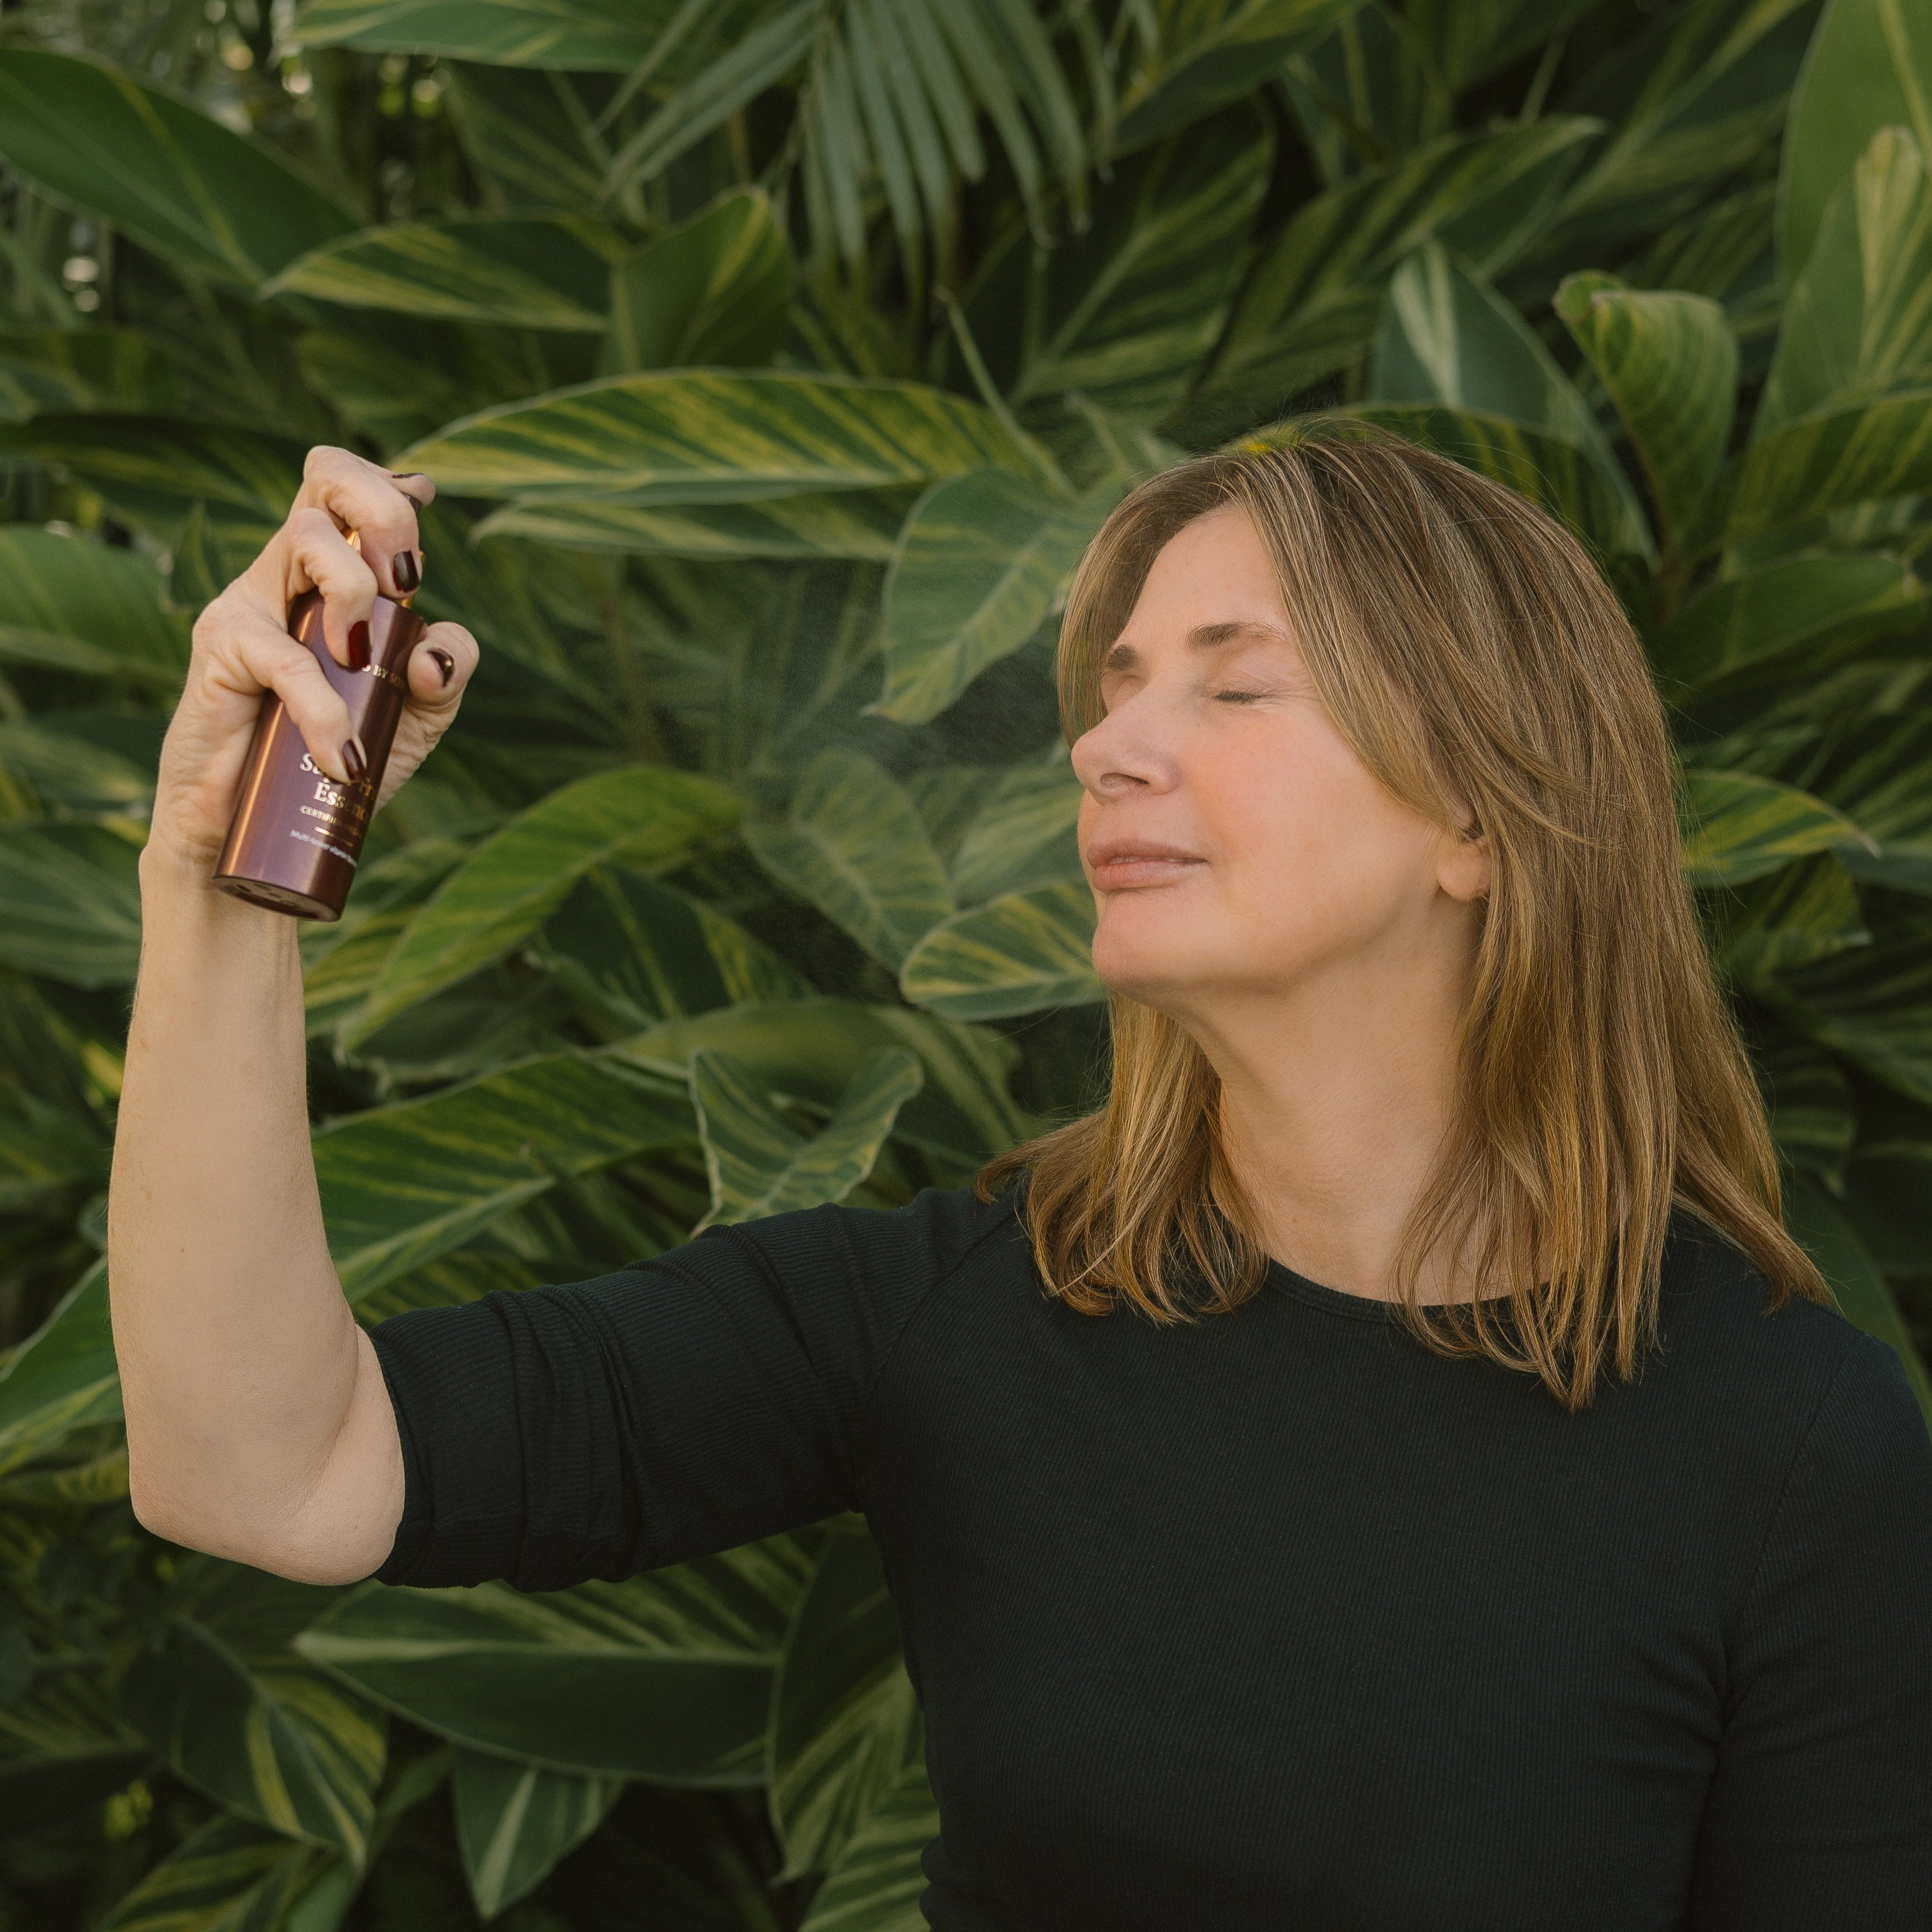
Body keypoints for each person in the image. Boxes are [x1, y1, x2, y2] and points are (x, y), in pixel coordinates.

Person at [108, 428, 1932, 1929]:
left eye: (1235, 686)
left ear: (1478, 816)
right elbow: (263, 1462)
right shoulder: (967, 1303)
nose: (1105, 741)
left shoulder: (1786, 1444)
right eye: (1121, 681)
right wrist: (210, 888)